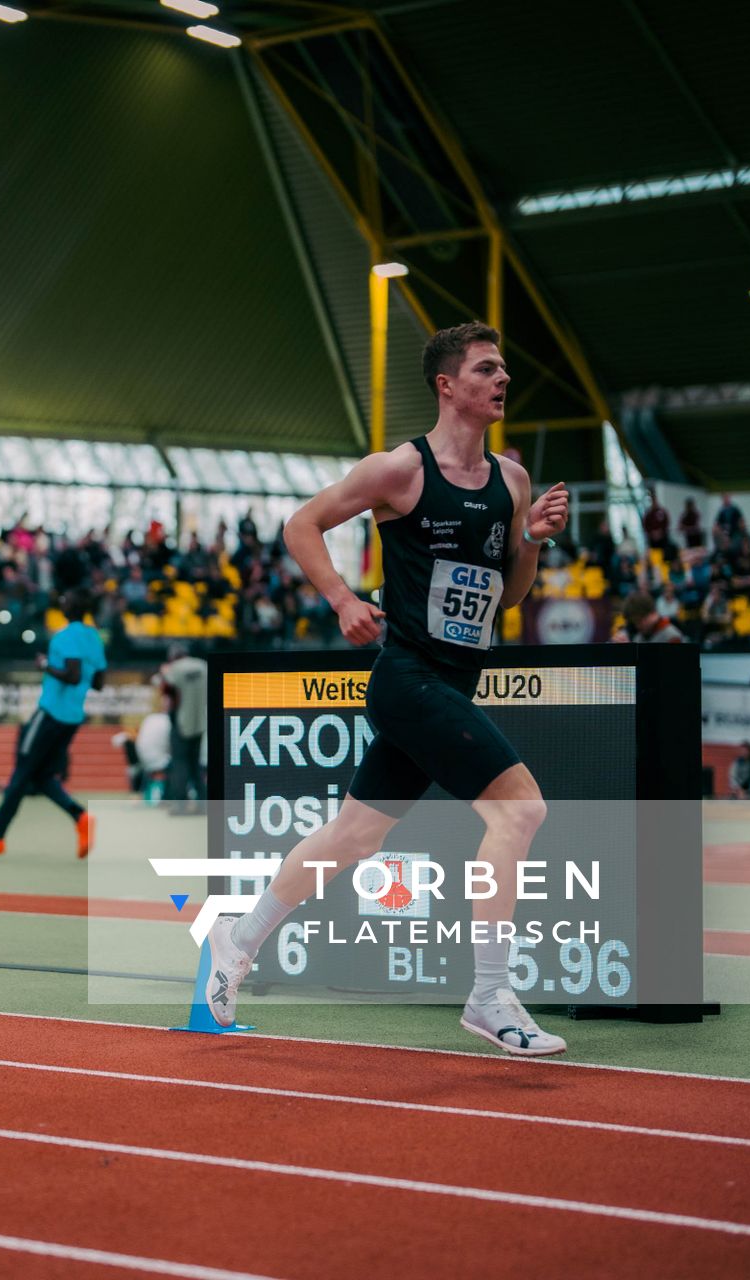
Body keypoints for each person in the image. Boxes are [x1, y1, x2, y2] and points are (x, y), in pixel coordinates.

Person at [203, 321, 572, 1056]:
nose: (503, 381)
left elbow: (510, 598)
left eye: (503, 371)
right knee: (521, 809)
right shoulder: (398, 470)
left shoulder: (512, 481)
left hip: (454, 682)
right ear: (448, 386)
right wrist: (342, 597)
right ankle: (490, 993)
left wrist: (528, 538)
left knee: (355, 835)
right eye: (487, 370)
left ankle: (235, 941)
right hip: (407, 679)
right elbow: (303, 523)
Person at [0, 588, 104, 858]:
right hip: (73, 717)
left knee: (22, 771)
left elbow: (73, 675)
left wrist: (45, 665)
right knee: (43, 777)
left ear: (72, 608)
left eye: (66, 599)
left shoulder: (66, 637)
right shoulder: (94, 638)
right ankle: (80, 817)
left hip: (50, 713)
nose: (62, 601)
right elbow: (98, 683)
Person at [157, 642, 208, 815]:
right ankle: (203, 803)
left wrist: (164, 674)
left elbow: (167, 690)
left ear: (173, 656)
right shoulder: (203, 666)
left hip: (181, 722)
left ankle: (180, 805)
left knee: (179, 763)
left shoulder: (174, 668)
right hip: (200, 722)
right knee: (195, 765)